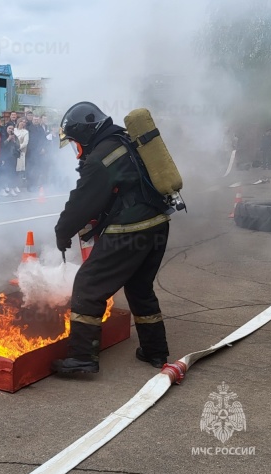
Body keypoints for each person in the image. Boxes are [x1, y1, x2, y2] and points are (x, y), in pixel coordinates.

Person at [51, 101, 171, 374]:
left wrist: (62, 232)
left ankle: (82, 359)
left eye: (75, 143)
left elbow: (82, 202)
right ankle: (155, 351)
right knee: (140, 288)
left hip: (131, 228)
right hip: (158, 225)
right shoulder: (125, 141)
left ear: (84, 133)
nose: (77, 150)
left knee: (88, 285)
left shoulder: (101, 157)